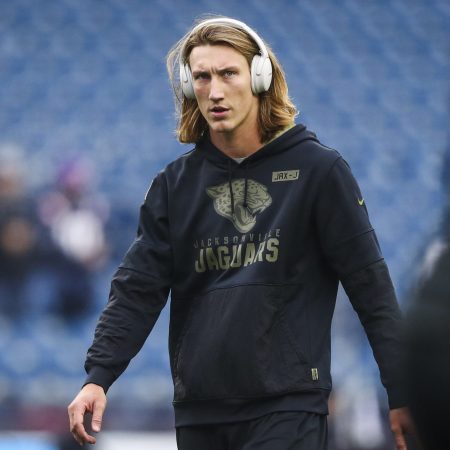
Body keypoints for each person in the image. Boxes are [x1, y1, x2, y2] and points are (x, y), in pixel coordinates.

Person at [68, 16, 413, 449]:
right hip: (200, 412)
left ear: (259, 76)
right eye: (202, 77)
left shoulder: (319, 172)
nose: (214, 91)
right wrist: (98, 378)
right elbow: (137, 289)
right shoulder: (173, 187)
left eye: (228, 73)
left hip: (287, 406)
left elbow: (372, 289)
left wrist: (402, 391)